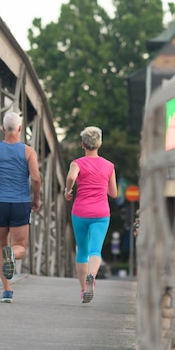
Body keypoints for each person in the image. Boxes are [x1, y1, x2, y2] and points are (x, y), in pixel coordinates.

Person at [0, 112, 41, 303]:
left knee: (0, 245)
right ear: (20, 129)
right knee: (20, 246)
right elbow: (36, 179)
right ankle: (13, 255)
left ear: (3, 128)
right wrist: (36, 199)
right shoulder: (29, 152)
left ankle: (7, 291)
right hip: (20, 203)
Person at [64, 126, 117, 303]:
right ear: (99, 143)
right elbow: (114, 193)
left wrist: (68, 189)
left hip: (80, 212)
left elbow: (72, 177)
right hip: (101, 213)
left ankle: (83, 289)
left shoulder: (77, 163)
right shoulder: (109, 166)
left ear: (82, 144)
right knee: (95, 250)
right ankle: (92, 277)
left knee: (82, 251)